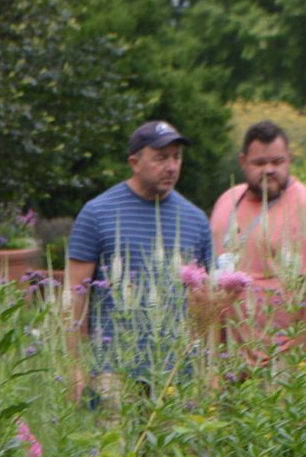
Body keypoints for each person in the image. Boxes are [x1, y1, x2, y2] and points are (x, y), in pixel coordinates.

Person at [65, 120, 214, 404]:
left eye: (176, 157)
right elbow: (74, 296)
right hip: (113, 369)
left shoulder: (195, 220)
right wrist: (76, 367)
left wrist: (208, 368)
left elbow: (206, 301)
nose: (171, 166)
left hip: (176, 373)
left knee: (175, 449)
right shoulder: (97, 213)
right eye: (161, 158)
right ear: (134, 162)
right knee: (114, 448)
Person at [209, 120, 306, 367]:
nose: (269, 170)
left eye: (277, 162)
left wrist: (295, 358)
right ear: (243, 161)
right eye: (259, 163)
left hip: (279, 359)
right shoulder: (227, 201)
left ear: (289, 159)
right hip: (227, 358)